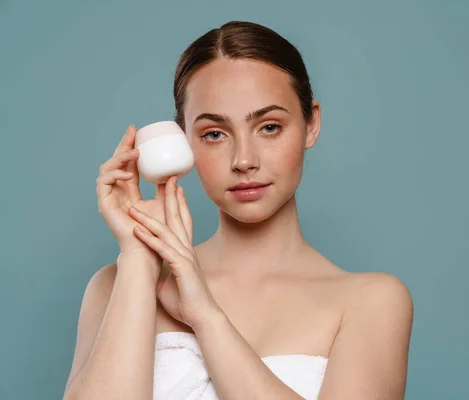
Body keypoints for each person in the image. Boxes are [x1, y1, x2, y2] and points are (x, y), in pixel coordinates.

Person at [62, 20, 413, 400]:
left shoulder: (372, 302)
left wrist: (206, 317)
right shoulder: (115, 286)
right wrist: (139, 257)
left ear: (311, 124)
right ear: (183, 141)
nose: (244, 160)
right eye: (214, 134)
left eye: (269, 127)